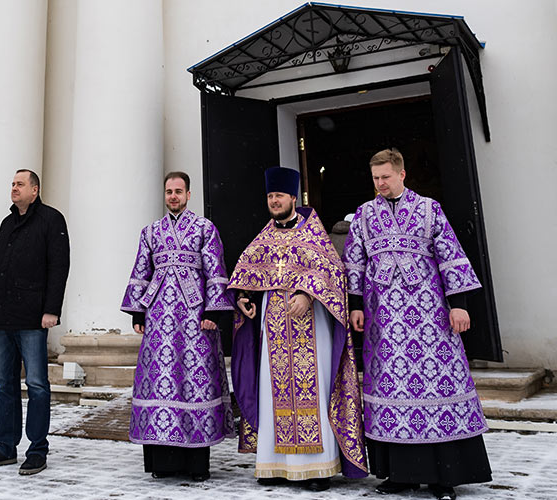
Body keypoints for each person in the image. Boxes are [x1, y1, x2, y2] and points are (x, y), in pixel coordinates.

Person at [342, 149, 492, 500]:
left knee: (435, 388)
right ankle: (400, 474)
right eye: (375, 178)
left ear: (402, 174)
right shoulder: (364, 215)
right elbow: (353, 264)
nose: (380, 183)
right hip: (384, 324)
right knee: (391, 391)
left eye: (386, 177)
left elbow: (451, 256)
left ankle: (444, 477)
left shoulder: (429, 209)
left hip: (431, 321)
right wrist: (356, 306)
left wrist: (459, 305)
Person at [229, 166, 367, 491]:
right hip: (273, 328)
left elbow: (334, 273)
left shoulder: (313, 235)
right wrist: (245, 299)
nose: (274, 201)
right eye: (270, 196)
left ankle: (317, 469)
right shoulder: (263, 238)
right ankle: (274, 464)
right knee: (271, 391)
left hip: (310, 329)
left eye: (279, 196)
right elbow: (245, 274)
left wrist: (308, 293)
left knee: (313, 391)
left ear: (293, 197)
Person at [121, 172, 235, 482]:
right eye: (169, 191)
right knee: (161, 381)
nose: (173, 196)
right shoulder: (151, 231)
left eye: (178, 191)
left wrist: (214, 310)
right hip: (159, 319)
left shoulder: (204, 228)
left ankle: (196, 463)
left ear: (188, 193)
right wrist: (138, 313)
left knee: (194, 383)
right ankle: (164, 462)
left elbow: (216, 270)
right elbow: (141, 270)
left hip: (195, 318)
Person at [0, 169, 70, 476]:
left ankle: (37, 449)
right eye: (12, 183)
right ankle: (5, 447)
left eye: (19, 184)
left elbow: (59, 267)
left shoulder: (52, 220)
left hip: (32, 317)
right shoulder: (7, 223)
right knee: (5, 384)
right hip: (2, 316)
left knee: (38, 384)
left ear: (35, 189)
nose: (13, 188)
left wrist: (51, 309)